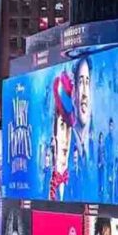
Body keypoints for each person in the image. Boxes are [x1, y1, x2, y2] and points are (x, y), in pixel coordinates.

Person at [47, 72, 76, 200]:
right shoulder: (45, 184)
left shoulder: (76, 181)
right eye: (63, 127)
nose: (66, 138)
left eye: (69, 129)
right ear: (54, 135)